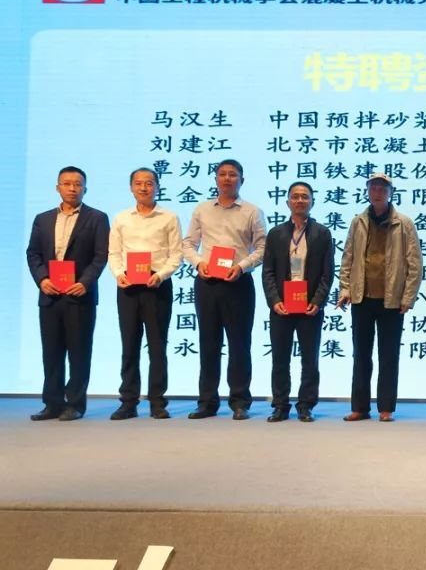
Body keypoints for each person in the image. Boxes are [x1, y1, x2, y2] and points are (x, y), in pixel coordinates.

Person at [181, 159, 267, 420]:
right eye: (222, 174)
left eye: (233, 175)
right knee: (208, 343)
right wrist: (199, 264)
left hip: (238, 283)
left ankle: (240, 401)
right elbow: (188, 244)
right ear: (215, 179)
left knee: (239, 344)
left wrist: (241, 267)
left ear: (242, 180)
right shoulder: (202, 210)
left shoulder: (252, 211)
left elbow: (262, 248)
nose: (227, 178)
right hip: (207, 282)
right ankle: (207, 402)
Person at [25, 166, 109, 421]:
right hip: (50, 295)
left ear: (85, 188)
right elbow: (33, 253)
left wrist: (85, 282)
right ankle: (52, 404)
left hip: (79, 295)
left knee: (79, 352)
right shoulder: (43, 219)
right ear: (57, 187)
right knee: (51, 352)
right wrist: (42, 279)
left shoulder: (97, 218)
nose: (72, 188)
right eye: (67, 183)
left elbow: (101, 256)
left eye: (77, 184)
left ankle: (75, 404)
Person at [337, 173, 422, 422]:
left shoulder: (403, 223)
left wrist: (408, 296)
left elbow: (415, 263)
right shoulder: (358, 222)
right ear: (367, 191)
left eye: (382, 188)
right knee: (361, 355)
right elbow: (348, 258)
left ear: (390, 193)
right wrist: (345, 289)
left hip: (392, 299)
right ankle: (360, 407)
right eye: (373, 187)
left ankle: (386, 408)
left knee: (388, 355)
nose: (377, 192)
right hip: (362, 297)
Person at [107, 167, 182, 420]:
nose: (143, 187)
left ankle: (157, 402)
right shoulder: (121, 218)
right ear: (131, 187)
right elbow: (114, 252)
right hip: (128, 287)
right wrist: (119, 274)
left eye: (149, 183)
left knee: (158, 346)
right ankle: (128, 402)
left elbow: (176, 254)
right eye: (138, 183)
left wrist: (161, 275)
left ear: (157, 187)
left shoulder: (169, 217)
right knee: (129, 345)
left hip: (157, 285)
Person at [262, 181, 334, 423]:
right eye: (295, 196)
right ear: (287, 202)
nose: (300, 200)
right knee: (280, 358)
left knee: (310, 359)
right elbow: (268, 271)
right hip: (281, 306)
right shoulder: (276, 234)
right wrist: (274, 300)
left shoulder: (322, 233)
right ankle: (280, 405)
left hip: (309, 306)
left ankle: (306, 405)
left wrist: (318, 301)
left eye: (305, 196)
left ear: (312, 201)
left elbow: (327, 273)